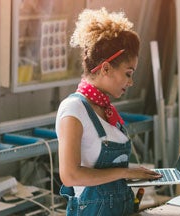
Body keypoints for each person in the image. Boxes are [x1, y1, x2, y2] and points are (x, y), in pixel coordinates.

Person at [55, 8, 162, 215]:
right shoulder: (74, 109)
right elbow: (70, 175)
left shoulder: (106, 109)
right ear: (105, 69)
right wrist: (125, 172)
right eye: (128, 73)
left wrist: (135, 174)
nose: (131, 82)